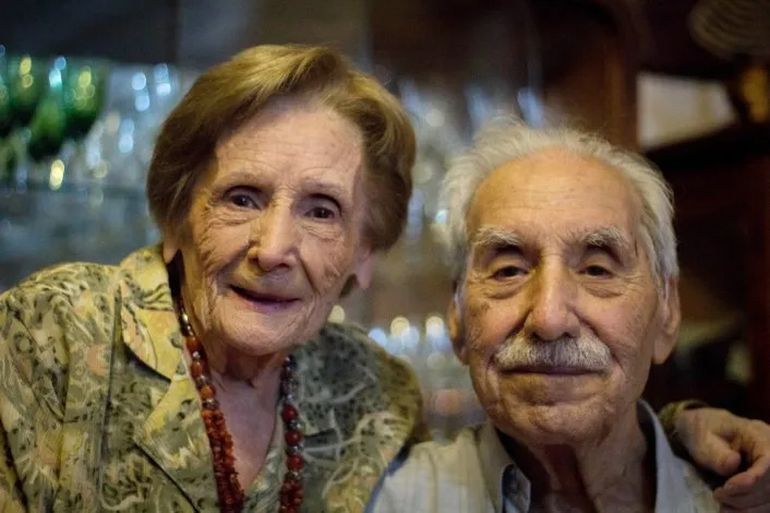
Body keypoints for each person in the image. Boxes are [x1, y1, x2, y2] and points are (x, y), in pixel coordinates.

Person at [0, 45, 766, 513]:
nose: (274, 247)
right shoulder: (48, 335)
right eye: (241, 197)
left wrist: (681, 432)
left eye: (323, 211)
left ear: (364, 254)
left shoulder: (371, 397)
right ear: (176, 215)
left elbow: (585, 429)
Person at [369, 121, 770, 512]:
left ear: (667, 312)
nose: (548, 318)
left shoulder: (743, 498)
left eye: (597, 269)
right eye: (509, 271)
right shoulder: (379, 502)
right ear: (456, 317)